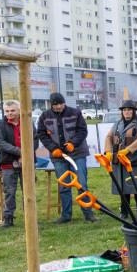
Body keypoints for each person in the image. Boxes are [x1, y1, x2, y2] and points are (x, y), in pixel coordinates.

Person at [37, 92, 96, 224]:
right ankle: (66, 216)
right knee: (64, 186)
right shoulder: (44, 117)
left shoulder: (75, 112)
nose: (60, 106)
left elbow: (82, 130)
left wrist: (73, 143)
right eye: (57, 104)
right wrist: (53, 149)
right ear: (52, 105)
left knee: (82, 184)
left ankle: (88, 214)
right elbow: (42, 134)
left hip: (77, 154)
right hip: (58, 156)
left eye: (62, 103)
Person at [0, 100, 37, 229]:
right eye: (7, 111)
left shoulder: (28, 123)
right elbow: (1, 143)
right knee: (9, 191)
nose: (9, 113)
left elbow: (34, 141)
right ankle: (8, 218)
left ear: (19, 110)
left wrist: (26, 156)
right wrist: (21, 153)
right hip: (8, 162)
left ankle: (30, 217)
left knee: (29, 190)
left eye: (12, 110)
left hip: (27, 162)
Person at [103, 101, 137, 220]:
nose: (127, 112)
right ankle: (124, 212)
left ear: (133, 111)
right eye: (125, 110)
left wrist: (128, 150)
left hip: (135, 158)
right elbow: (108, 137)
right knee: (122, 186)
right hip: (119, 160)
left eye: (129, 110)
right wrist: (108, 150)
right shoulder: (117, 123)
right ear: (122, 112)